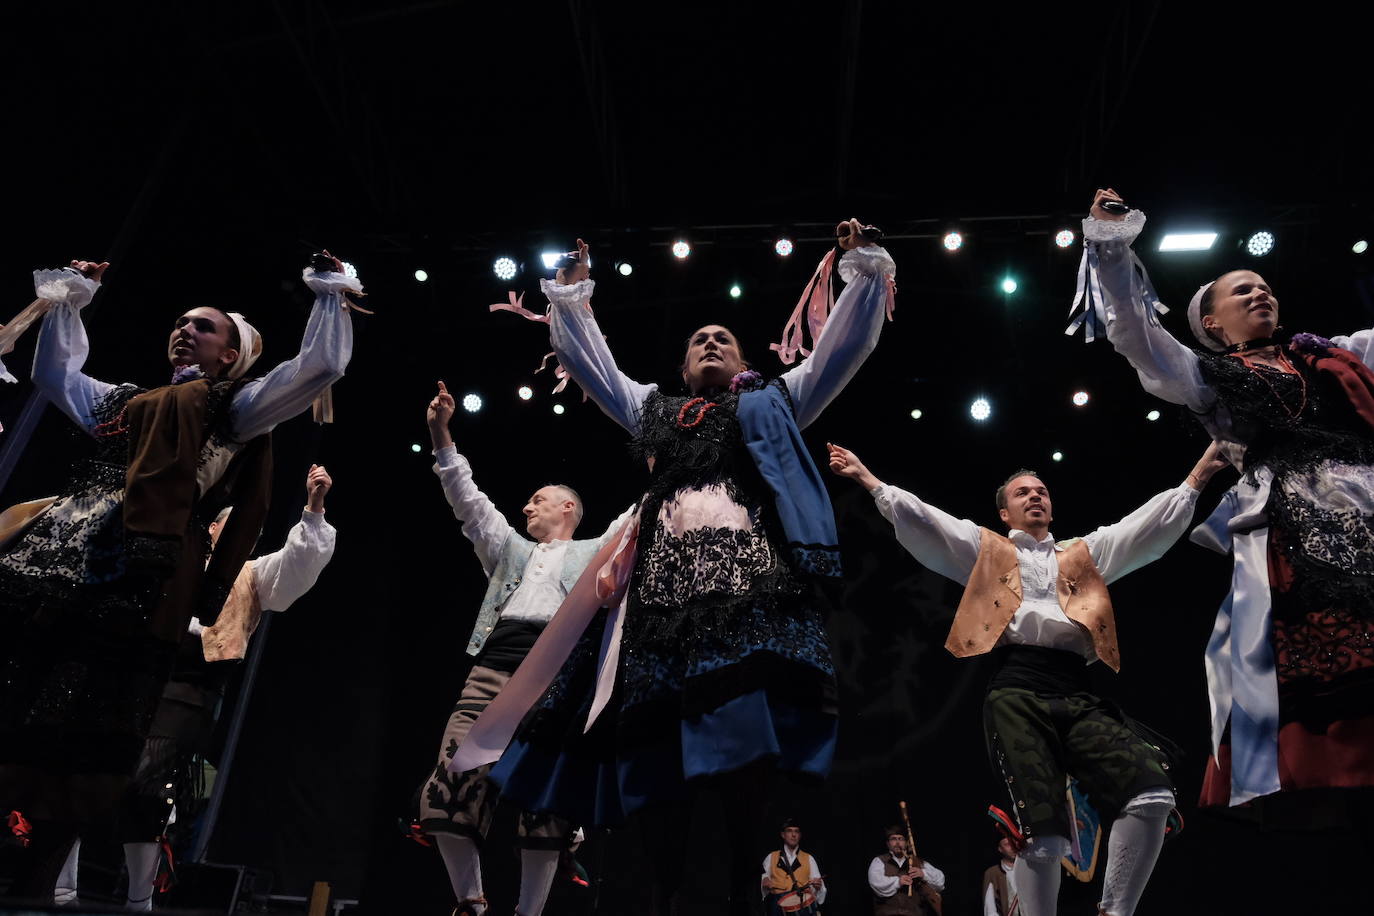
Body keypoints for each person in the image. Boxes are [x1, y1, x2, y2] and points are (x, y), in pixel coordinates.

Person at [467, 219, 894, 914]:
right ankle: (666, 890)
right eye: (698, 339)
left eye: (723, 337)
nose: (711, 342)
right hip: (660, 601)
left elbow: (838, 353)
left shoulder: (773, 404)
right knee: (656, 749)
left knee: (745, 742)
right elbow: (596, 368)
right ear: (682, 364)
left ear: (744, 356)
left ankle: (735, 884)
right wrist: (572, 297)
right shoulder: (655, 410)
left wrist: (864, 269)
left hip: (746, 589)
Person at [0, 254, 356, 893]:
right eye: (181, 321)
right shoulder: (128, 405)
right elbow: (55, 374)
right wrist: (73, 299)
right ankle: (27, 865)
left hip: (141, 578)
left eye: (205, 326)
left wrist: (329, 297)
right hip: (61, 563)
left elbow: (319, 367)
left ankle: (42, 878)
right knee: (27, 703)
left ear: (231, 355)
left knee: (94, 727)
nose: (186, 329)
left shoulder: (235, 409)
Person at [827, 442, 1225, 916]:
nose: (1035, 496)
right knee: (1045, 836)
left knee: (1152, 794)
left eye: (1041, 491)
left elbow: (1141, 530)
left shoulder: (1083, 554)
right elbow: (929, 523)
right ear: (1004, 510)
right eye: (1022, 492)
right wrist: (870, 481)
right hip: (1016, 690)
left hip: (1075, 689)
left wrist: (1198, 475)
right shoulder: (986, 550)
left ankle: (1115, 911)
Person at [1080, 188, 1374, 810]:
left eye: (1264, 286)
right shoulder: (1208, 379)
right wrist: (1109, 245)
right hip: (1298, 524)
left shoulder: (1335, 355)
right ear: (1211, 323)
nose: (1260, 293)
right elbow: (1135, 333)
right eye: (1241, 291)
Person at [54, 464, 338, 910]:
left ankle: (138, 900)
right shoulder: (171, 559)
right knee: (80, 770)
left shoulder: (253, 573)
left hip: (189, 690)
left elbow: (299, 567)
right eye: (234, 527)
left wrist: (314, 508)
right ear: (212, 527)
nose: (244, 536)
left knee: (145, 784)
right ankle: (61, 889)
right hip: (133, 676)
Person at [415, 381, 632, 916]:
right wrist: (442, 435)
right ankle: (471, 900)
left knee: (547, 801)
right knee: (448, 787)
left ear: (567, 507)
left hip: (556, 677)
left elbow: (638, 518)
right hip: (491, 671)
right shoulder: (510, 550)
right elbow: (471, 504)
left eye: (537, 500)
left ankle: (528, 913)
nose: (526, 506)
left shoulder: (593, 551)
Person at [867, 824, 946, 916]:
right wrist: (898, 882)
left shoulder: (918, 862)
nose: (897, 842)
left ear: (907, 843)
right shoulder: (879, 861)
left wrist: (923, 873)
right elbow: (876, 882)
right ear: (888, 844)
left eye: (901, 839)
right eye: (893, 839)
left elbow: (940, 881)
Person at [759, 819, 826, 915]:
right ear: (783, 835)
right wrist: (764, 880)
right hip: (777, 909)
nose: (793, 835)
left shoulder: (809, 858)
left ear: (800, 835)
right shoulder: (771, 857)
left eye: (796, 831)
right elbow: (762, 880)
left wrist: (818, 886)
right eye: (789, 831)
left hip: (802, 909)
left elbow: (819, 888)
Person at [981, 835, 1018, 916]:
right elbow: (990, 906)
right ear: (1000, 849)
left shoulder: (1026, 870)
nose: (1012, 847)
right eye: (1007, 844)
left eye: (1013, 843)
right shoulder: (993, 873)